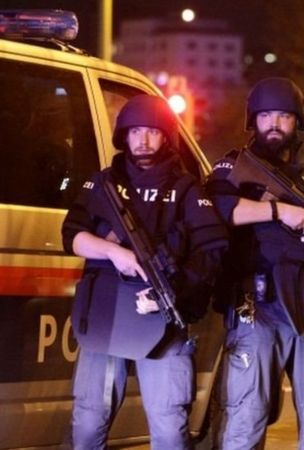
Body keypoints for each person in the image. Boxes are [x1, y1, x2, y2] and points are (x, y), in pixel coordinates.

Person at [61, 94, 228, 449]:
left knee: (169, 429)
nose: (143, 140)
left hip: (163, 315)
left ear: (166, 136)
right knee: (89, 423)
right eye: (135, 131)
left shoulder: (185, 189)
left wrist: (173, 292)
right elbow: (72, 236)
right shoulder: (103, 184)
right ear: (124, 135)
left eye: (152, 132)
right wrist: (114, 252)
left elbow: (212, 250)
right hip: (108, 311)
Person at [206, 77, 304, 449]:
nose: (274, 124)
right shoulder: (233, 166)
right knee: (246, 417)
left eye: (283, 116)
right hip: (257, 306)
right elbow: (219, 209)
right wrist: (279, 211)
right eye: (265, 116)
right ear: (253, 120)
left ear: (298, 122)